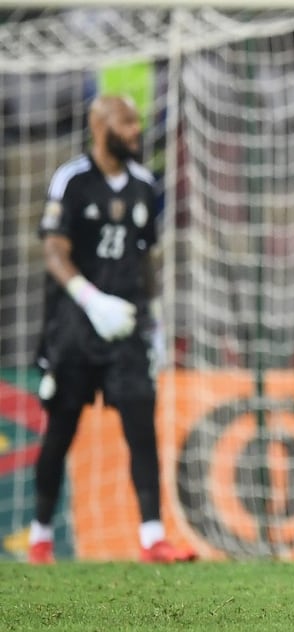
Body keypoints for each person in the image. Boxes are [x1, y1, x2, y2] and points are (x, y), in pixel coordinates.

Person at [26, 95, 196, 565]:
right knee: (60, 431)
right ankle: (40, 538)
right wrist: (90, 299)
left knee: (142, 429)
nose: (136, 131)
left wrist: (154, 322)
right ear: (99, 127)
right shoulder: (73, 180)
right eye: (126, 123)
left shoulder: (144, 184)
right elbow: (55, 253)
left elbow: (147, 260)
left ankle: (153, 538)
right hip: (78, 326)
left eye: (137, 123)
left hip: (127, 328)